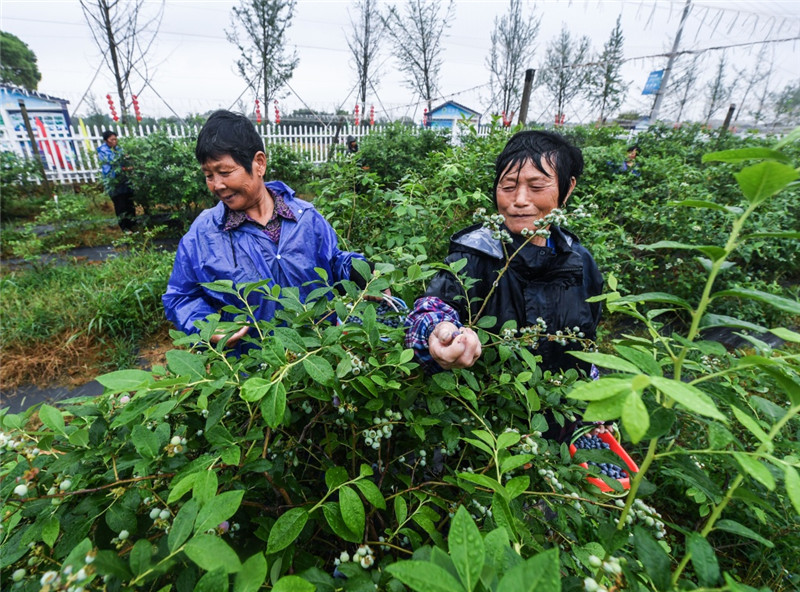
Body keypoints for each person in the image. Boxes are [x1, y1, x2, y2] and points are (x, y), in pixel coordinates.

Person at [162, 110, 372, 353]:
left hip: (317, 357)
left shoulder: (305, 217)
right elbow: (181, 296)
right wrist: (207, 326)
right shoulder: (204, 234)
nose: (217, 185)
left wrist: (360, 271)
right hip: (253, 368)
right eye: (209, 175)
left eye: (225, 172)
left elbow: (332, 262)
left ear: (259, 163)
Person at [404, 129, 603, 379]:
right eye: (508, 186)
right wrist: (439, 331)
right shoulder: (473, 256)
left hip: (566, 402)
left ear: (568, 188)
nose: (519, 200)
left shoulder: (580, 262)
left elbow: (587, 343)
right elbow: (432, 308)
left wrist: (591, 395)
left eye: (536, 186)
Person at [97, 131, 136, 231]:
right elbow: (111, 164)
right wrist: (125, 168)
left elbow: (125, 160)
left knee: (129, 204)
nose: (114, 141)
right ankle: (125, 228)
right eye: (112, 139)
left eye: (115, 139)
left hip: (125, 181)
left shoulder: (118, 149)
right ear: (106, 140)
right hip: (114, 182)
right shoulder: (103, 151)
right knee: (120, 205)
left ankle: (133, 225)